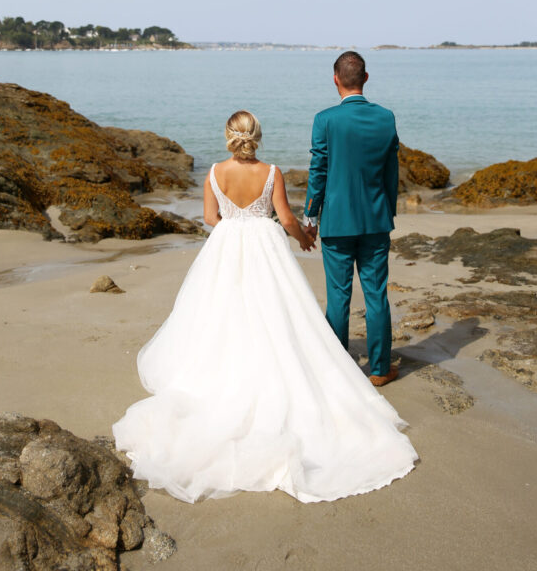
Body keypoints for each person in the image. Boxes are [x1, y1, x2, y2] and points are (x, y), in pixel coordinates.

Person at [112, 109, 417, 504]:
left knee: (223, 316)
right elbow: (287, 218)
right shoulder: (271, 172)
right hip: (266, 249)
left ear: (228, 136)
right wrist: (302, 237)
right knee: (277, 315)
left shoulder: (213, 173)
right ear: (258, 136)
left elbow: (210, 217)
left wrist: (234, 224)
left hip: (226, 248)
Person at [304, 51, 400, 386]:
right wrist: (389, 209)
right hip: (375, 219)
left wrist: (310, 214)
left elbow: (319, 170)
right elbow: (391, 172)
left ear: (335, 80)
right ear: (366, 78)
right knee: (376, 294)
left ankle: (337, 370)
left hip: (337, 221)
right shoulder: (386, 118)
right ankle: (379, 369)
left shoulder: (325, 120)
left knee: (338, 296)